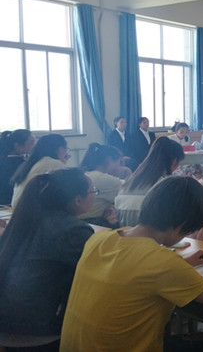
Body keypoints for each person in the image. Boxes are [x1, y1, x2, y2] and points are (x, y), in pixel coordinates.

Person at [60, 176, 203, 351]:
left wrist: (184, 262)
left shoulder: (99, 239)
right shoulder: (162, 262)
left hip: (74, 346)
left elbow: (131, 268)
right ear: (181, 225)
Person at [0, 168, 96, 351]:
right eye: (94, 191)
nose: (95, 196)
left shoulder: (26, 218)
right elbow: (99, 271)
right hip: (36, 331)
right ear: (77, 200)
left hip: (8, 322)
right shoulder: (74, 230)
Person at [115, 137, 184, 226]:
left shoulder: (130, 182)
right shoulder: (165, 186)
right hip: (150, 233)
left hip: (125, 232)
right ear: (174, 162)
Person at [10, 134, 70, 207]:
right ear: (60, 149)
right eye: (67, 149)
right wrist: (62, 164)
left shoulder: (30, 162)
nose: (67, 154)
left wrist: (62, 163)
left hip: (17, 208)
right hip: (30, 209)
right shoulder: (53, 163)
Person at [80, 143, 131, 228]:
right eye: (120, 162)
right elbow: (129, 197)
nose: (122, 166)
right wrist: (128, 173)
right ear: (110, 160)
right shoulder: (107, 180)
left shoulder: (86, 174)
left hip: (81, 222)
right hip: (95, 224)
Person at [0, 130, 34, 205]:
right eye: (31, 143)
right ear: (17, 145)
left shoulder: (4, 160)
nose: (34, 145)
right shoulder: (19, 163)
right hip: (11, 202)